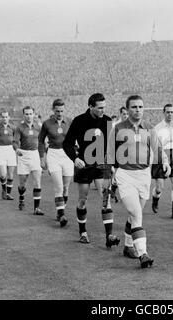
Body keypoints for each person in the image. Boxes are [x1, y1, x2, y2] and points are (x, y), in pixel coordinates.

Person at [107, 95, 171, 268]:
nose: (138, 110)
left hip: (144, 175)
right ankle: (143, 253)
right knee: (137, 214)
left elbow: (157, 149)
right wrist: (111, 179)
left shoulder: (149, 128)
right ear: (127, 110)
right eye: (134, 107)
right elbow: (110, 154)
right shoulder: (118, 128)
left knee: (134, 215)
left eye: (140, 107)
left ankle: (128, 247)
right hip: (125, 175)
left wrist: (165, 162)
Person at [63, 93, 119, 247]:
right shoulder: (79, 121)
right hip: (84, 165)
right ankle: (83, 232)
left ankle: (109, 236)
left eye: (104, 107)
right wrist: (75, 159)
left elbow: (111, 144)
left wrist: (112, 164)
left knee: (105, 199)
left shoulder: (107, 121)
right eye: (100, 108)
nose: (102, 110)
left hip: (102, 165)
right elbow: (67, 144)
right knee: (82, 199)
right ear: (90, 106)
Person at [39, 99, 73, 227]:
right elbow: (41, 141)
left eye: (62, 111)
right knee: (58, 187)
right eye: (57, 111)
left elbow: (76, 138)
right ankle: (62, 214)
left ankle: (60, 211)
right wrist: (42, 157)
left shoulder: (70, 121)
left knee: (65, 188)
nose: (59, 113)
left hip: (67, 155)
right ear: (53, 110)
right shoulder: (47, 123)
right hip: (53, 154)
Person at [151, 104, 173, 220]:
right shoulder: (157, 128)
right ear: (164, 113)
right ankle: (155, 198)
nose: (170, 114)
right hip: (160, 156)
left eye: (172, 112)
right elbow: (155, 146)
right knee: (160, 188)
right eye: (168, 112)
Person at [13, 106, 44, 215]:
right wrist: (17, 149)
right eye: (26, 114)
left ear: (34, 114)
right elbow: (15, 141)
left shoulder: (39, 127)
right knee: (22, 184)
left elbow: (42, 142)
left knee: (37, 181)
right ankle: (21, 198)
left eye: (30, 113)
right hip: (23, 155)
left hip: (35, 154)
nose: (29, 116)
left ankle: (36, 208)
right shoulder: (19, 128)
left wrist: (42, 157)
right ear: (23, 115)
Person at [0, 110, 17, 200]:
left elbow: (17, 140)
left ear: (9, 117)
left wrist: (17, 148)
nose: (5, 118)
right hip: (1, 150)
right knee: (3, 174)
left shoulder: (13, 127)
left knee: (10, 175)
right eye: (3, 117)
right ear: (0, 117)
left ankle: (8, 194)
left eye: (6, 116)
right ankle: (4, 190)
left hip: (11, 150)